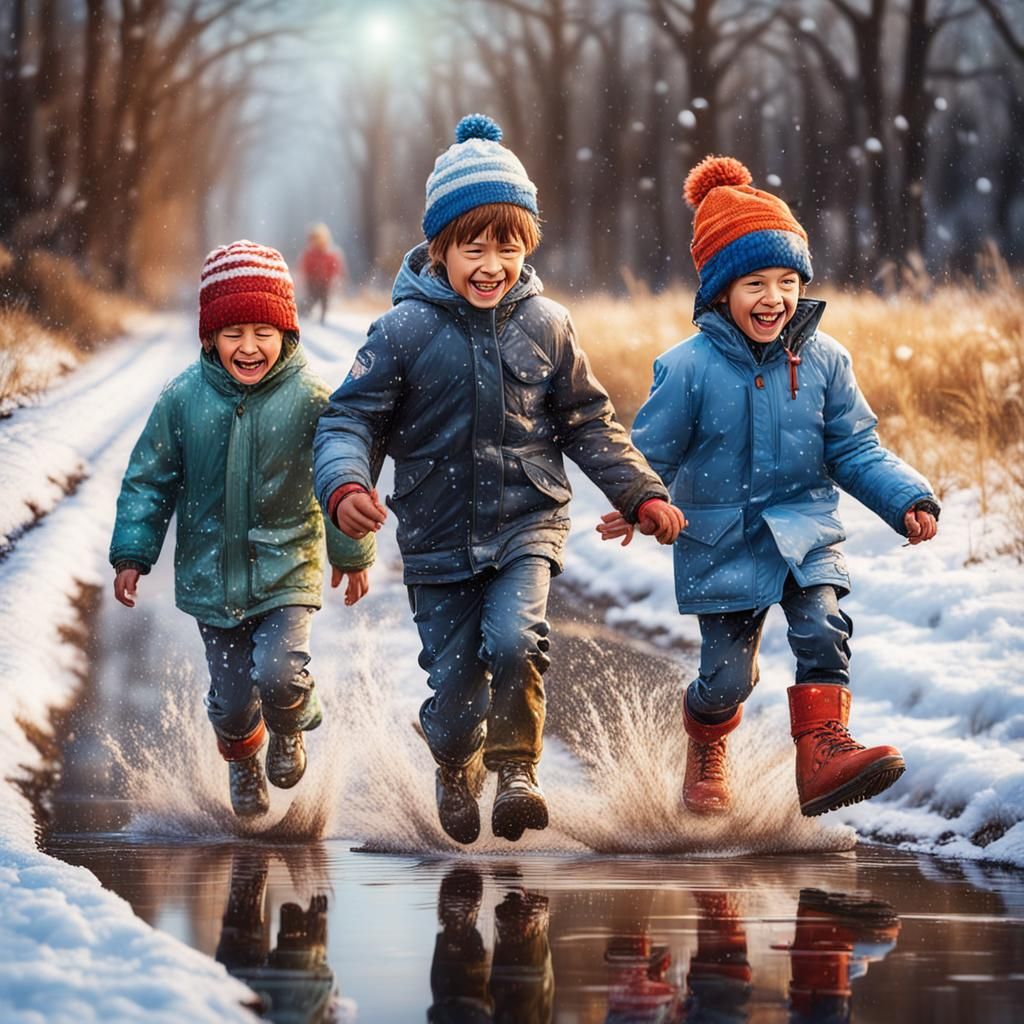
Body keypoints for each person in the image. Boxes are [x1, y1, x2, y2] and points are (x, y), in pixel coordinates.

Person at [314, 114, 684, 845]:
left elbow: (588, 420)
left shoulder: (547, 323)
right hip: (436, 536)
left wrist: (640, 491)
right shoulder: (402, 334)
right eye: (472, 246)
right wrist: (346, 486)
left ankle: (517, 770)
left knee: (517, 641)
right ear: (439, 249)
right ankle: (453, 760)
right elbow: (348, 422)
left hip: (526, 522)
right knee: (454, 698)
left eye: (508, 246)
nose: (491, 263)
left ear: (527, 248)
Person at [598, 156, 940, 818]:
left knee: (823, 627)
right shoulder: (687, 368)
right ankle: (706, 745)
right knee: (729, 678)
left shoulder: (824, 359)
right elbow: (652, 451)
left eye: (788, 280)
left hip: (804, 529)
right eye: (754, 282)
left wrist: (907, 499)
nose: (774, 298)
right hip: (722, 540)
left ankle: (823, 754)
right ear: (720, 291)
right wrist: (636, 499)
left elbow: (855, 446)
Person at [109, 240, 374, 818]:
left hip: (287, 568)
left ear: (287, 332)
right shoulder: (183, 399)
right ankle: (244, 762)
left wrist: (350, 551)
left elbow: (340, 473)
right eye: (233, 333)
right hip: (212, 577)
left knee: (279, 674)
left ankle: (289, 728)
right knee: (229, 704)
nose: (249, 347)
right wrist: (133, 549)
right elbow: (149, 478)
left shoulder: (310, 399)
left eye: (262, 331)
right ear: (210, 337)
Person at [300, 223, 346, 324]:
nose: (317, 242)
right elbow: (305, 266)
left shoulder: (329, 253)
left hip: (325, 281)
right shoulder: (310, 253)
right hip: (312, 280)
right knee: (311, 298)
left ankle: (322, 317)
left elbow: (335, 266)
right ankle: (304, 312)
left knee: (324, 299)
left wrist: (336, 277)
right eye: (314, 239)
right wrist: (305, 278)